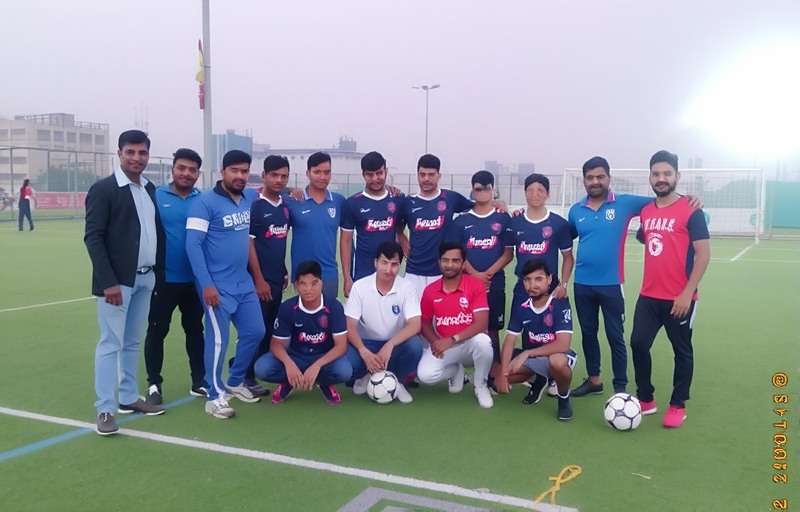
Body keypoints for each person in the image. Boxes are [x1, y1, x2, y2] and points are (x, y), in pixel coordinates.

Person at [568, 156, 702, 397]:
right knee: (588, 334)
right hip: (582, 284)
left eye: (600, 177)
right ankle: (594, 380)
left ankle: (620, 387)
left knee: (615, 336)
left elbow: (665, 201)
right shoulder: (576, 210)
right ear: (584, 181)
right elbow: (563, 236)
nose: (595, 181)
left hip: (611, 284)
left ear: (609, 178)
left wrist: (692, 199)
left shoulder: (626, 203)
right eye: (590, 178)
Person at [84, 129, 165, 435]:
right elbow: (93, 237)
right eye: (130, 152)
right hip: (117, 284)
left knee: (132, 341)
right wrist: (108, 283)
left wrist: (158, 274)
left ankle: (129, 397)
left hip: (146, 277)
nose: (136, 158)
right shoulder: (104, 189)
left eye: (142, 152)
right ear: (119, 153)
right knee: (110, 343)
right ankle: (106, 408)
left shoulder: (149, 188)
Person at [631, 150, 710, 428]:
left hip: (681, 298)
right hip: (649, 295)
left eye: (667, 173)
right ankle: (646, 399)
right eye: (656, 174)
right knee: (638, 343)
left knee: (682, 351)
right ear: (650, 177)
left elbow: (703, 254)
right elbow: (647, 236)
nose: (661, 178)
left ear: (678, 176)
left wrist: (687, 292)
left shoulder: (692, 209)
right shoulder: (646, 211)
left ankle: (678, 404)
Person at [186, 150, 266, 419]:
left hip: (243, 284)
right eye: (235, 171)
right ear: (223, 172)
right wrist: (206, 284)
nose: (240, 176)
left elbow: (273, 190)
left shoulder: (249, 197)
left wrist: (295, 192)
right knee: (218, 341)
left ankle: (235, 380)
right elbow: (193, 245)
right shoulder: (204, 203)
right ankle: (213, 395)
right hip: (216, 286)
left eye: (244, 171)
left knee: (255, 331)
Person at [143, 148, 206, 406]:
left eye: (192, 170)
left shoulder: (203, 200)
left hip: (195, 281)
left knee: (195, 331)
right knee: (157, 331)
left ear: (198, 174)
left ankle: (199, 381)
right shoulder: (155, 196)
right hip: (164, 280)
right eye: (182, 168)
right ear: (173, 169)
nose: (186, 173)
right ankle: (154, 383)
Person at [254, 260, 352, 405]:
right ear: (296, 286)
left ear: (321, 284)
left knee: (345, 371)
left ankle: (323, 382)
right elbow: (276, 344)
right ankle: (289, 381)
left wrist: (317, 366)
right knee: (262, 368)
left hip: (323, 358)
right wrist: (289, 364)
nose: (308, 289)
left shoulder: (334, 307)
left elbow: (341, 346)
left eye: (314, 283)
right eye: (303, 284)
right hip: (295, 357)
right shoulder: (287, 308)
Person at [445, 170, 514, 362]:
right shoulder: (461, 221)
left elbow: (509, 253)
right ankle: (458, 367)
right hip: (467, 284)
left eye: (486, 189)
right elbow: (456, 254)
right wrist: (475, 275)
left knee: (492, 329)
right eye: (478, 189)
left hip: (494, 284)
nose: (482, 192)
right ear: (473, 191)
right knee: (462, 325)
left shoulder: (503, 218)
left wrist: (488, 275)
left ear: (493, 190)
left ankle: (495, 371)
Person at [496, 260, 577, 421]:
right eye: (527, 280)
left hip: (558, 355)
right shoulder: (522, 308)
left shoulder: (559, 303)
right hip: (534, 359)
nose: (532, 284)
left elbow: (563, 344)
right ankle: (540, 379)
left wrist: (526, 353)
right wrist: (503, 374)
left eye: (538, 279)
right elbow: (510, 340)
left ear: (549, 279)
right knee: (496, 379)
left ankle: (563, 398)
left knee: (557, 362)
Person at [417, 241, 494, 408]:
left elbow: (482, 323)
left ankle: (480, 385)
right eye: (445, 260)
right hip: (446, 347)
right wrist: (434, 342)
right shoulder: (430, 290)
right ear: (439, 262)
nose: (449, 265)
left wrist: (452, 339)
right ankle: (455, 371)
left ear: (463, 263)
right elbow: (424, 322)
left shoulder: (475, 285)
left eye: (455, 260)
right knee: (425, 375)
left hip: (469, 344)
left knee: (484, 342)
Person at [344, 241, 424, 403]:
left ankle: (396, 380)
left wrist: (390, 345)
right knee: (346, 365)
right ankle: (366, 375)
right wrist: (363, 351)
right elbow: (350, 326)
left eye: (394, 264)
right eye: (384, 263)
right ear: (375, 263)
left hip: (394, 345)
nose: (388, 269)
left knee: (415, 346)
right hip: (366, 344)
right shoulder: (360, 286)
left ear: (400, 265)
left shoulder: (407, 287)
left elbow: (415, 324)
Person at [245, 154, 293, 397]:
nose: (279, 180)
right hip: (259, 282)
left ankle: (252, 369)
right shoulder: (255, 205)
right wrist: (258, 279)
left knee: (269, 328)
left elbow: (278, 242)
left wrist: (283, 270)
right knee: (255, 329)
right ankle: (245, 377)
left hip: (276, 280)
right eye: (274, 175)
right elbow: (249, 244)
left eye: (284, 176)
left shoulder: (284, 206)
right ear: (263, 176)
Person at [398, 154, 474, 298]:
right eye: (422, 174)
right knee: (413, 318)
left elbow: (478, 206)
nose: (426, 179)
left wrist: (497, 203)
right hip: (414, 273)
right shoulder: (408, 202)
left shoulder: (451, 198)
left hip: (441, 272)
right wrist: (402, 238)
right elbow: (397, 226)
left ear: (439, 175)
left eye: (431, 174)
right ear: (418, 175)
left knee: (441, 319)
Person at [340, 151, 404, 296]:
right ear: (363, 175)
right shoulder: (352, 203)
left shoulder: (398, 200)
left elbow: (401, 228)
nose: (375, 178)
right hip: (362, 274)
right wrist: (347, 277)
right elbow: (346, 241)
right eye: (370, 174)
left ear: (386, 171)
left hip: (390, 272)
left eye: (379, 173)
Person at [285, 152, 345, 299]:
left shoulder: (339, 201)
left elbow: (347, 238)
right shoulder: (294, 201)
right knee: (303, 319)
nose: (322, 177)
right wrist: (288, 189)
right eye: (317, 172)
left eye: (327, 172)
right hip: (302, 275)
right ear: (308, 173)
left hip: (329, 274)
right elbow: (267, 191)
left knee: (327, 319)